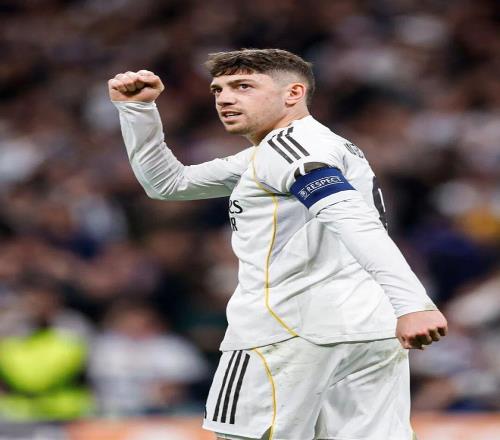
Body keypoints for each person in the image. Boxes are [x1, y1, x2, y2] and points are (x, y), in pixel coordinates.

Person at [108, 49, 448, 440]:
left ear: (293, 93)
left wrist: (413, 303)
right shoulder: (295, 150)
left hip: (286, 331)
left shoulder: (291, 151)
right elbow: (169, 184)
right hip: (367, 331)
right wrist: (138, 110)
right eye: (218, 89)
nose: (225, 98)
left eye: (243, 87)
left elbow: (353, 220)